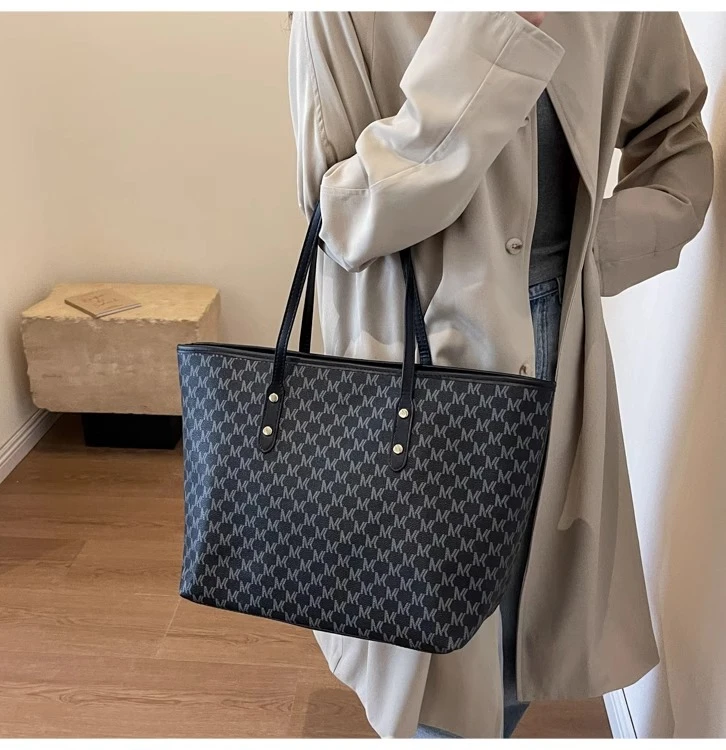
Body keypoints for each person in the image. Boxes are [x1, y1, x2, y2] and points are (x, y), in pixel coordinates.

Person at [287, 11, 713, 739]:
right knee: (426, 664)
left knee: (511, 644)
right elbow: (342, 217)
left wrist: (592, 248)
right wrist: (484, 40)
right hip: (405, 357)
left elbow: (676, 137)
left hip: (552, 345)